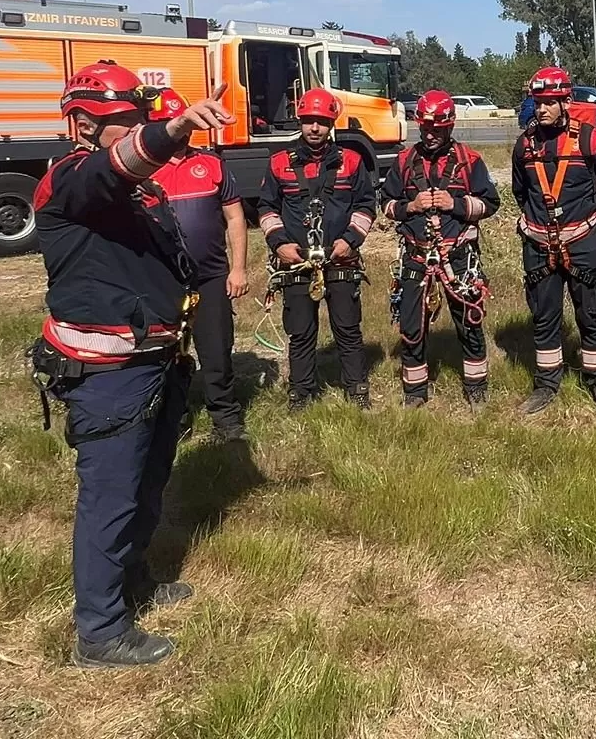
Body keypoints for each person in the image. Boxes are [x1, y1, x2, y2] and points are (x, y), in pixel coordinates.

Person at [29, 60, 233, 668]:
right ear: (83, 125)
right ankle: (100, 630)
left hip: (155, 365)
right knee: (110, 498)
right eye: (125, 120)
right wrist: (170, 131)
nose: (139, 128)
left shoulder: (139, 192)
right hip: (108, 378)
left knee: (147, 485)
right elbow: (115, 167)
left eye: (142, 118)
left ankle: (133, 579)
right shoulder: (71, 182)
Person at [511, 65, 596, 415]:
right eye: (537, 102)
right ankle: (547, 383)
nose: (542, 109)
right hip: (539, 246)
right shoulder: (524, 145)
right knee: (544, 316)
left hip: (583, 244)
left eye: (549, 102)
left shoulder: (591, 139)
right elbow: (521, 192)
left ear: (566, 101)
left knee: (591, 314)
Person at [258, 88, 377, 410]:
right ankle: (301, 392)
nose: (314, 128)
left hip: (341, 257)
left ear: (331, 123)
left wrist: (351, 239)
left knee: (348, 328)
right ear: (301, 121)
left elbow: (367, 204)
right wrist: (280, 243)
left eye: (321, 122)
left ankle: (356, 388)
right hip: (296, 261)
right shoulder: (279, 163)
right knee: (301, 331)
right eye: (309, 121)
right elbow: (267, 208)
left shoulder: (351, 162)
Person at [380, 90, 500, 407]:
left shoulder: (468, 161)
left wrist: (456, 204)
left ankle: (476, 390)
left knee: (470, 323)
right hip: (416, 257)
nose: (430, 134)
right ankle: (415, 393)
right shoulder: (404, 162)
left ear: (449, 126)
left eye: (437, 128)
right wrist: (412, 206)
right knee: (411, 326)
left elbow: (491, 203)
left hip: (459, 258)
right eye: (426, 128)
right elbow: (386, 204)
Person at [148, 89, 250, 443]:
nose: (183, 133)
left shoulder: (211, 164)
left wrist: (238, 269)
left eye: (190, 125)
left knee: (216, 348)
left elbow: (236, 218)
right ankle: (171, 417)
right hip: (160, 280)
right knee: (163, 353)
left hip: (210, 277)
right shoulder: (145, 170)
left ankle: (225, 416)